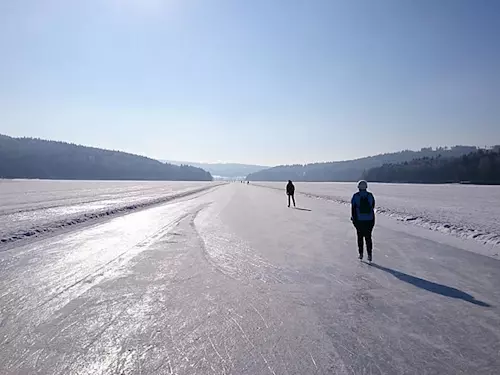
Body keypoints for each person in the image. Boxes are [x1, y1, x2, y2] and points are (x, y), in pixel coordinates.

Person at [351, 180, 375, 262]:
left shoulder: (355, 196)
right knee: (368, 237)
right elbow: (372, 206)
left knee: (360, 237)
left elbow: (353, 209)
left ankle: (361, 254)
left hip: (359, 220)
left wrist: (354, 220)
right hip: (369, 220)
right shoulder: (370, 195)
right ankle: (369, 254)